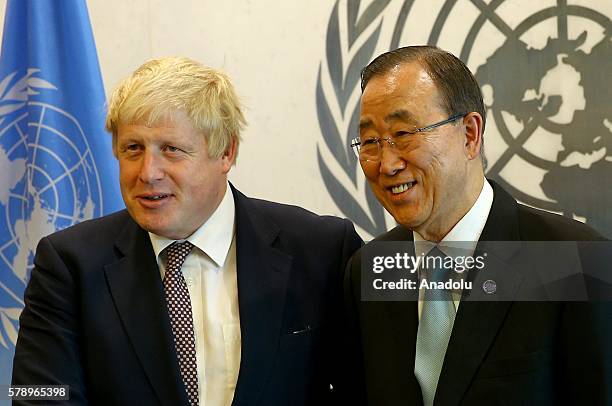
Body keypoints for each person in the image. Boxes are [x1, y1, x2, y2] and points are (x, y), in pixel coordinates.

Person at [12, 57, 362, 406]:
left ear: (226, 152)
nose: (148, 173)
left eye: (171, 150)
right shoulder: (68, 264)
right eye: (133, 149)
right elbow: (38, 396)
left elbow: (367, 391)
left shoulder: (321, 250)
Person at [345, 45, 611, 405]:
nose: (387, 163)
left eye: (404, 134)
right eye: (372, 142)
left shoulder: (574, 262)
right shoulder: (368, 267)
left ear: (470, 134)